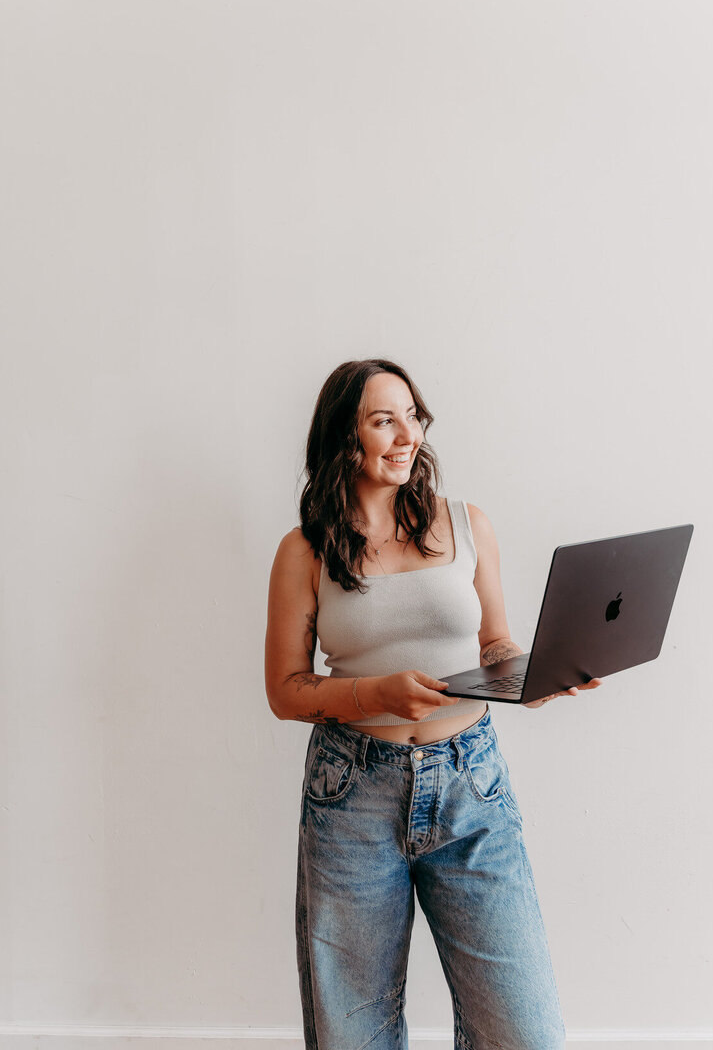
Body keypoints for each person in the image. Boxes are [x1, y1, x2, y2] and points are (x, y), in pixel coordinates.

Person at [264, 358, 602, 1049]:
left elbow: (496, 647)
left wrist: (541, 675)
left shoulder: (466, 523)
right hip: (352, 794)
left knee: (524, 1033)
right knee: (352, 1034)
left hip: (470, 783)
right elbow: (284, 691)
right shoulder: (304, 552)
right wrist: (374, 694)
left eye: (412, 415)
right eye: (382, 419)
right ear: (342, 437)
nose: (405, 434)